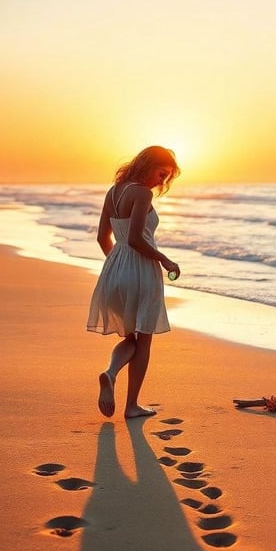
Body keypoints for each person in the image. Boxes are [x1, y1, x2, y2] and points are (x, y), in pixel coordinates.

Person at [87, 145, 181, 419]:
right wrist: (164, 259)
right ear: (149, 165)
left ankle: (111, 372)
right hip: (141, 272)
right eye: (161, 173)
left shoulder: (113, 191)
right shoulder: (142, 193)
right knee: (145, 340)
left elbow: (103, 238)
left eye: (167, 177)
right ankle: (131, 406)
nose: (161, 181)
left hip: (114, 270)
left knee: (132, 338)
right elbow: (136, 239)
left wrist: (117, 267)